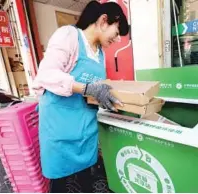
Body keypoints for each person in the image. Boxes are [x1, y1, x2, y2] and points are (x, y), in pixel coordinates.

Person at [32, 1, 129, 193]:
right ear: (103, 21)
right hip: (60, 129)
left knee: (86, 182)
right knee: (62, 184)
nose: (117, 40)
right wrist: (88, 89)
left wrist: (105, 98)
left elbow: (95, 90)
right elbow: (46, 74)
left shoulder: (99, 54)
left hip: (85, 130)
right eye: (116, 33)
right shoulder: (69, 36)